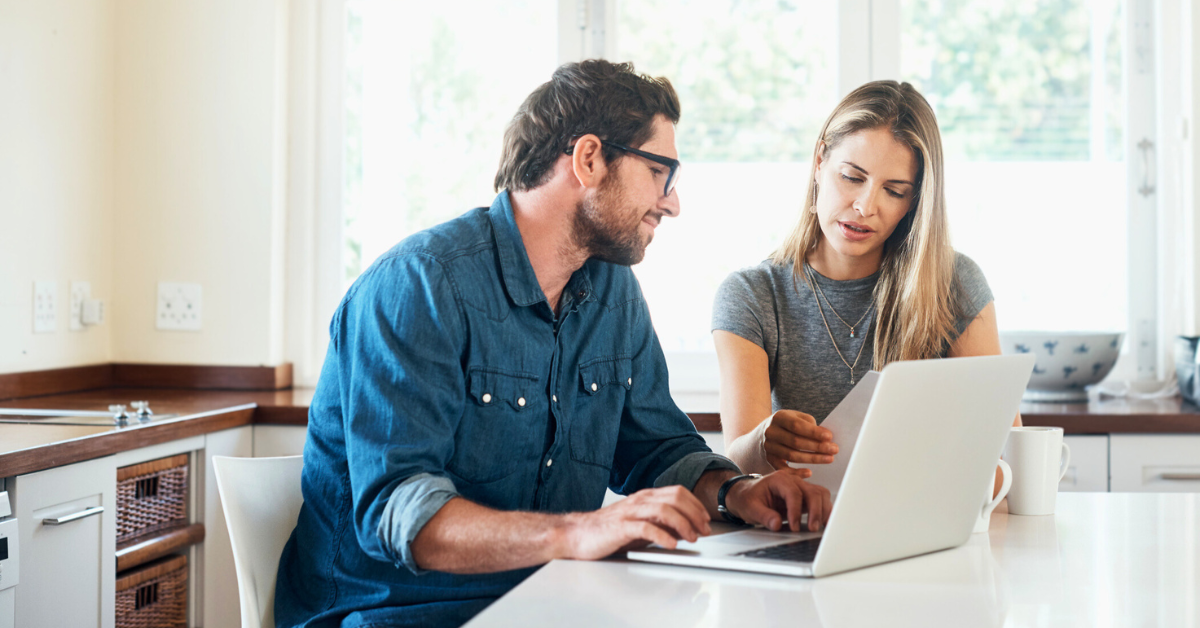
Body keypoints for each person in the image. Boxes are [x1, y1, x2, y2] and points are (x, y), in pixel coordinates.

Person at [274, 59, 831, 628]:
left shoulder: (612, 290)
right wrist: (578, 531)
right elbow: (402, 513)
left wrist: (734, 492)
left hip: (549, 604)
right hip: (396, 614)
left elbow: (656, 449)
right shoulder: (418, 286)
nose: (671, 202)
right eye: (661, 172)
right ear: (589, 159)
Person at [712, 81, 1018, 486]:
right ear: (820, 160)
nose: (865, 206)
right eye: (852, 177)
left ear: (914, 203)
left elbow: (1007, 454)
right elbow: (738, 463)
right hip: (801, 530)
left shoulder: (953, 283)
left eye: (894, 191)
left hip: (919, 527)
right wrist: (764, 441)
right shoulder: (752, 295)